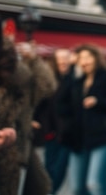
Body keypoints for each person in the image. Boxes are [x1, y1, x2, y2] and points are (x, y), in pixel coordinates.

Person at [0, 17, 56, 195]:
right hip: (9, 143)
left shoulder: (11, 60)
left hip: (17, 147)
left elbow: (46, 87)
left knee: (40, 186)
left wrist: (34, 58)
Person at [57, 44, 106, 195]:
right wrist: (72, 69)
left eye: (88, 57)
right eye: (80, 59)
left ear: (96, 58)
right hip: (79, 140)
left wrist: (98, 101)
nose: (84, 61)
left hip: (103, 137)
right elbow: (60, 102)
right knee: (77, 188)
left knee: (95, 184)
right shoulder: (77, 82)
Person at [32, 47, 74, 194]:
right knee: (49, 167)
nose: (63, 61)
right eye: (60, 58)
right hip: (50, 130)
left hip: (68, 132)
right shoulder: (49, 79)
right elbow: (39, 101)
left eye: (66, 57)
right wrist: (34, 118)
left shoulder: (74, 78)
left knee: (60, 168)